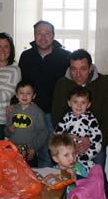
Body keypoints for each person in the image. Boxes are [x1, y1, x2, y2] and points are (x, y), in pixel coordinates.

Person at [52, 49, 108, 188]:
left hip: (95, 145)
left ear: (90, 68)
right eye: (74, 69)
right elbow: (56, 116)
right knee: (68, 180)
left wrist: (91, 140)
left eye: (83, 69)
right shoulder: (62, 84)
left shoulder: (105, 84)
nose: (78, 74)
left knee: (97, 181)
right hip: (67, 146)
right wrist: (66, 138)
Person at [18, 20, 70, 167]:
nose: (43, 37)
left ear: (53, 36)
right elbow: (21, 83)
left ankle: (48, 189)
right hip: (30, 114)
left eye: (47, 33)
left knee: (49, 158)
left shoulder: (65, 57)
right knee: (27, 158)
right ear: (34, 36)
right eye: (39, 33)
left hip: (54, 116)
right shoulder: (26, 56)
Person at [55, 86, 102, 173]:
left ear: (88, 105)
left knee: (98, 146)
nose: (79, 105)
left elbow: (97, 137)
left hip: (85, 154)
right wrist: (65, 136)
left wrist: (89, 140)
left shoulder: (91, 119)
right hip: (69, 152)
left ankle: (83, 163)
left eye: (83, 102)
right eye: (75, 102)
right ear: (69, 103)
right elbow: (58, 132)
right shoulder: (67, 117)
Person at [5, 80, 48, 167]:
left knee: (28, 174)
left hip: (28, 150)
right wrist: (9, 130)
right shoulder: (13, 110)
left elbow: (43, 133)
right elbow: (6, 131)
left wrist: (33, 148)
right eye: (21, 93)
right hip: (13, 148)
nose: (24, 96)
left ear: (33, 96)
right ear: (16, 95)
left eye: (28, 93)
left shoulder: (37, 112)